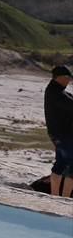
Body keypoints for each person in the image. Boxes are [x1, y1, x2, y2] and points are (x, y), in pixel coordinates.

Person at [44, 64, 73, 197]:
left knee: (60, 164)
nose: (69, 81)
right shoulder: (56, 93)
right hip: (64, 135)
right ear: (60, 78)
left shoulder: (53, 90)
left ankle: (54, 195)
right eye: (68, 78)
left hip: (57, 134)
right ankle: (65, 198)